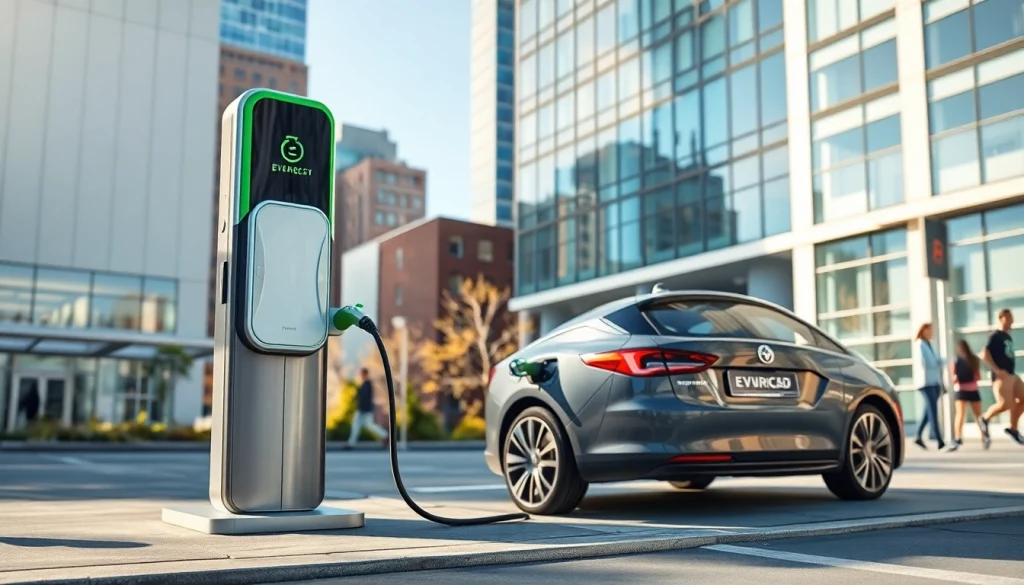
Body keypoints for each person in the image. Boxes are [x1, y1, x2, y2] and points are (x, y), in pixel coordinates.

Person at [978, 309, 1024, 445]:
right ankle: (985, 419)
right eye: (1008, 318)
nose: (1011, 321)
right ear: (1001, 318)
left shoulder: (1007, 337)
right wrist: (997, 370)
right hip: (1002, 377)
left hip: (1012, 374)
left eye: (1012, 318)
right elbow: (984, 354)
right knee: (1006, 404)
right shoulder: (995, 335)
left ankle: (1013, 429)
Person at [947, 339, 985, 451]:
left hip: (961, 390)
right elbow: (978, 376)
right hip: (973, 389)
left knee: (960, 414)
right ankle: (984, 436)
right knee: (978, 415)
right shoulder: (974, 359)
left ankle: (958, 437)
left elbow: (953, 378)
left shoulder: (956, 361)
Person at [913, 322, 946, 450]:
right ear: (924, 330)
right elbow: (929, 362)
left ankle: (918, 436)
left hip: (934, 382)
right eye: (929, 330)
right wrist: (938, 361)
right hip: (926, 383)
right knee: (933, 411)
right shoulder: (920, 344)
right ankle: (940, 441)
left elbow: (936, 360)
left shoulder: (929, 344)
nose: (931, 333)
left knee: (928, 411)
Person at [347, 368, 388, 448]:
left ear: (365, 374)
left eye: (361, 374)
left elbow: (365, 398)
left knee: (369, 425)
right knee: (356, 426)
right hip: (362, 409)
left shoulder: (367, 385)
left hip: (365, 410)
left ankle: (385, 435)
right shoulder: (363, 384)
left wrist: (364, 409)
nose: (360, 376)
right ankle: (351, 443)